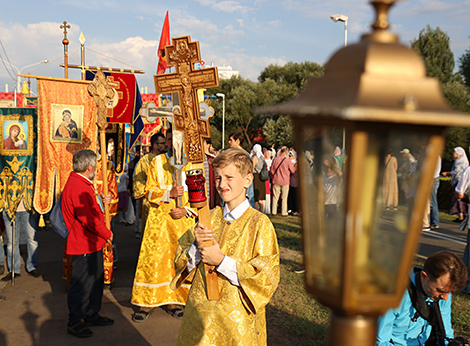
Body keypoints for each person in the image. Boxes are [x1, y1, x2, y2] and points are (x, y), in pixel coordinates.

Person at [171, 148, 280, 345]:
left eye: (229, 177)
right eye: (218, 178)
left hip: (236, 324)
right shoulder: (208, 217)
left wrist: (221, 261)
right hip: (200, 319)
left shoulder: (260, 224)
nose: (222, 184)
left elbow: (265, 278)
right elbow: (180, 261)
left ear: (247, 180)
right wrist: (196, 247)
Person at [131, 130, 196, 322]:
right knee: (154, 261)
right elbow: (148, 192)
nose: (173, 143)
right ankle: (147, 303)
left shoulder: (192, 164)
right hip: (159, 223)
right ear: (167, 141)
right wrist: (169, 194)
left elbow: (198, 195)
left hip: (183, 221)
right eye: (169, 139)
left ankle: (175, 301)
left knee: (180, 261)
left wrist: (186, 210)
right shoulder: (156, 162)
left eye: (178, 139)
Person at [62, 149, 114, 338]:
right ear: (90, 167)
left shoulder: (82, 183)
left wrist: (100, 201)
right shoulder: (79, 186)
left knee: (95, 281)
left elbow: (90, 209)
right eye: (96, 166)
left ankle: (92, 313)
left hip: (91, 242)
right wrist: (107, 233)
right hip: (83, 243)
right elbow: (88, 219)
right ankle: (75, 321)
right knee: (82, 284)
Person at [376, 251, 467, 346]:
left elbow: (445, 331)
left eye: (450, 292)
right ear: (424, 276)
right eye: (440, 290)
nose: (445, 297)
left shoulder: (443, 294)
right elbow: (380, 341)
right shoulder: (394, 294)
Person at [133, 133, 168, 239]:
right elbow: (139, 183)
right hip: (150, 203)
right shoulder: (144, 161)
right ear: (155, 145)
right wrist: (139, 207)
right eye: (162, 143)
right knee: (151, 236)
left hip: (167, 201)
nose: (165, 145)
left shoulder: (168, 159)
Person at [1, 199, 40, 281]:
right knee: (11, 242)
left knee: (32, 239)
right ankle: (14, 270)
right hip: (9, 208)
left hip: (28, 207)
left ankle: (32, 267)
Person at [228, 131, 255, 208]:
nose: (229, 142)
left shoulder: (243, 156)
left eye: (231, 140)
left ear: (238, 141)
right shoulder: (232, 154)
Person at [442, 147, 469, 222]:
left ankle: (460, 216)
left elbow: (456, 172)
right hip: (463, 182)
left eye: (455, 152)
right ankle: (464, 215)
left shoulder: (459, 161)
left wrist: (447, 173)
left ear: (459, 153)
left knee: (458, 199)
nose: (453, 154)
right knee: (463, 200)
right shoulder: (464, 160)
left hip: (458, 182)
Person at [271, 147, 297, 216]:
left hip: (276, 180)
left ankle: (274, 211)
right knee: (284, 198)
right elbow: (293, 170)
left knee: (275, 197)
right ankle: (283, 212)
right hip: (285, 181)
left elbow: (272, 171)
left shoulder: (275, 159)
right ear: (285, 152)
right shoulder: (287, 161)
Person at [251, 143, 266, 212]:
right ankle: (262, 211)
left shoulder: (254, 157)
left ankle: (256, 212)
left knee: (256, 198)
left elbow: (252, 168)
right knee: (260, 198)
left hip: (256, 177)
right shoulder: (262, 157)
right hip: (261, 177)